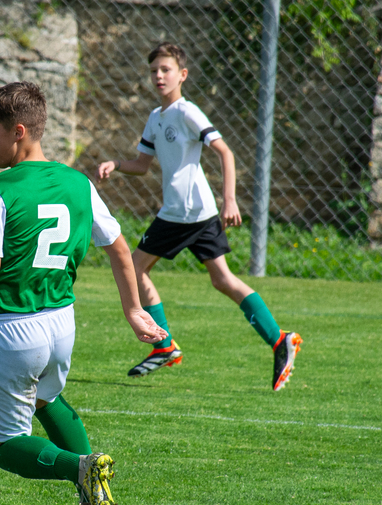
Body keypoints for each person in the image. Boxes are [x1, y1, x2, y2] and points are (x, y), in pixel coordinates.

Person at [0, 81, 166, 505]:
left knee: (2, 445)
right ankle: (94, 498)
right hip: (61, 322)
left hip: (14, 327)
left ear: (18, 132)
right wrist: (134, 310)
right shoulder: (78, 182)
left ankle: (81, 468)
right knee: (46, 398)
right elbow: (118, 247)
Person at [97, 42, 302, 390]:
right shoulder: (156, 117)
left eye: (166, 70)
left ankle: (164, 345)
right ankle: (279, 339)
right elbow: (143, 165)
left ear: (183, 75)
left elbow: (225, 152)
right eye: (153, 70)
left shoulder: (187, 112)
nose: (159, 76)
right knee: (222, 280)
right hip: (193, 213)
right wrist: (116, 164)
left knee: (134, 267)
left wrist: (230, 200)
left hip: (184, 213)